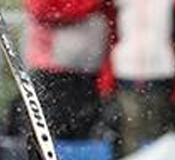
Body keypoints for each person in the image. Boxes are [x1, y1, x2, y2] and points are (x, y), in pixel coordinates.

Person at [105, 0, 175, 156]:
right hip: (124, 74)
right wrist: (106, 77)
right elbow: (109, 30)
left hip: (162, 75)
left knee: (159, 141)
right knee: (127, 140)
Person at [24, 0, 115, 140]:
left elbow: (112, 27)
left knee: (84, 139)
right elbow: (42, 9)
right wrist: (90, 4)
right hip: (51, 72)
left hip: (91, 74)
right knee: (49, 138)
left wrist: (107, 79)